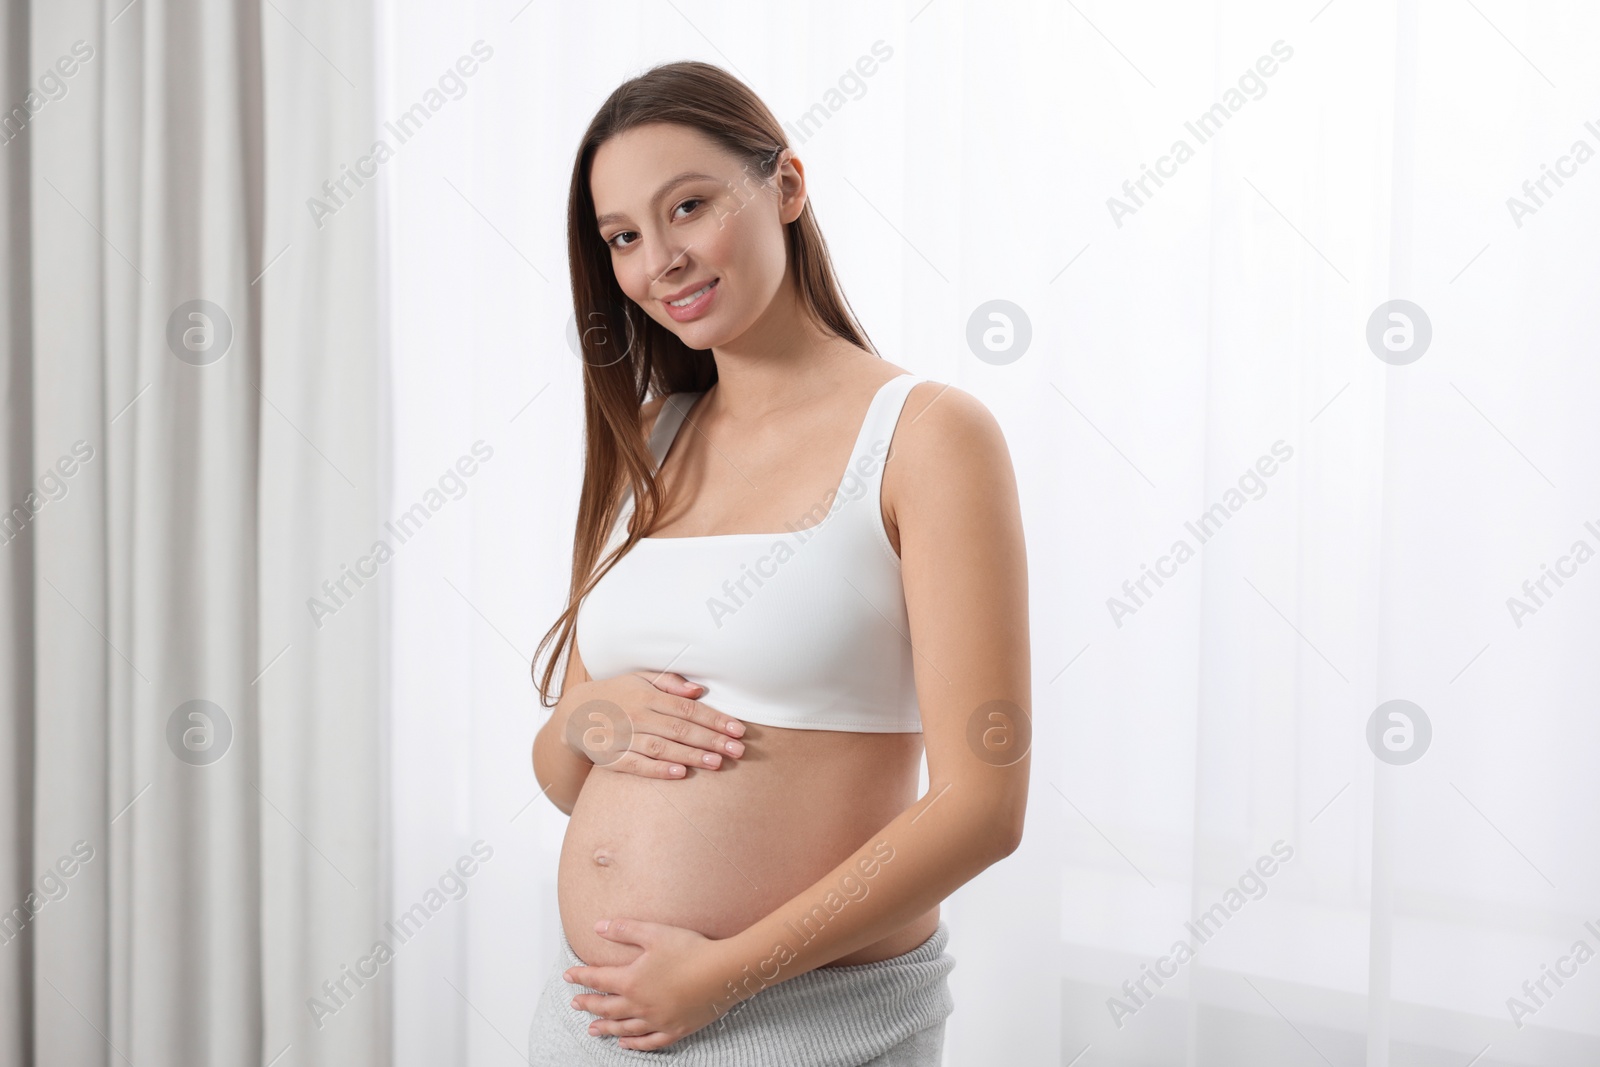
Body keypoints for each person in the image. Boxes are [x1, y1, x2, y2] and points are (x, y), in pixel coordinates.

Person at [527, 59, 1031, 1065]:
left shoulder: (927, 436)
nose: (659, 260)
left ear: (786, 188)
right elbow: (561, 770)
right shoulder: (654, 436)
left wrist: (721, 975)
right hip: (597, 1018)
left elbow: (985, 808)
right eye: (623, 236)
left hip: (805, 1022)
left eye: (689, 207)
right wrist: (588, 715)